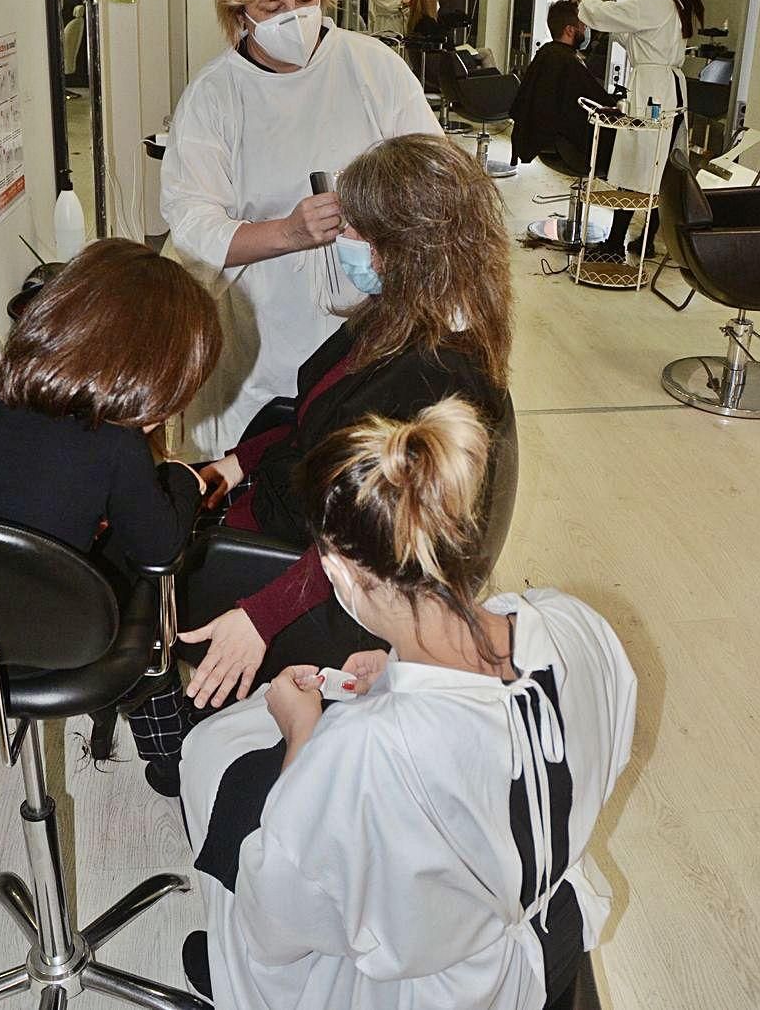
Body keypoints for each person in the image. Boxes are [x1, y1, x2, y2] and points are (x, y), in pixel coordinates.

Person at [179, 397, 637, 1009]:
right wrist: (396, 674)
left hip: (443, 989)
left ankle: (230, 976)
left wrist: (302, 738)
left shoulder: (365, 753)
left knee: (223, 786)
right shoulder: (574, 623)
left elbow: (278, 916)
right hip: (555, 919)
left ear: (339, 573)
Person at [142, 133, 512, 795]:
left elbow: (368, 542)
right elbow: (305, 410)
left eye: (356, 228)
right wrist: (233, 464)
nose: (342, 240)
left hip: (306, 569)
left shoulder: (431, 377)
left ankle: (171, 721)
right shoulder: (396, 318)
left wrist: (260, 616)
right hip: (280, 506)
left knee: (136, 546)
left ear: (404, 247)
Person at [0, 239, 222, 770]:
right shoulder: (114, 445)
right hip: (48, 652)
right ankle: (160, 729)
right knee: (143, 549)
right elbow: (160, 552)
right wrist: (180, 478)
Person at [160, 0, 441, 461]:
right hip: (260, 342)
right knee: (261, 475)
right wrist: (288, 232)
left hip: (368, 339)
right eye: (272, 6)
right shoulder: (216, 95)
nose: (294, 17)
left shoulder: (371, 67)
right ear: (238, 10)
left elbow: (434, 173)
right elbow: (192, 226)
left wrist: (384, 220)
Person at [577, 0, 704, 260]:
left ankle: (614, 244)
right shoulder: (675, 6)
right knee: (659, 167)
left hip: (653, 93)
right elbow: (630, 34)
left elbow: (608, 16)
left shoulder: (658, 3)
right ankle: (644, 240)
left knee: (638, 163)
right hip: (667, 89)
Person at [509, 0, 618, 176]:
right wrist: (617, 109)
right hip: (567, 147)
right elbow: (594, 102)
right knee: (619, 140)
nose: (585, 31)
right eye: (583, 26)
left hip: (545, 139)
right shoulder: (567, 62)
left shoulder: (547, 53)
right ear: (569, 30)